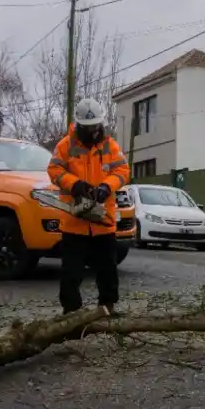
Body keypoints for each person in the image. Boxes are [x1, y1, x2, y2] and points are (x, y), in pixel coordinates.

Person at [47, 98, 130, 316]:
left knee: (107, 268)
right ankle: (71, 311)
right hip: (75, 219)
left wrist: (106, 186)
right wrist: (74, 184)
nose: (93, 131)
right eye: (88, 127)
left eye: (95, 126)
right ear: (79, 125)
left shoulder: (110, 146)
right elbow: (54, 170)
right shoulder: (65, 146)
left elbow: (123, 172)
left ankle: (107, 307)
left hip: (103, 219)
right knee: (71, 271)